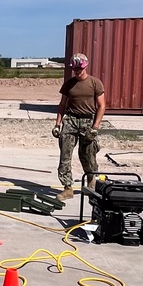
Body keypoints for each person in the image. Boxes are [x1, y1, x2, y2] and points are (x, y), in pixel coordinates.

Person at [52, 53, 106, 201]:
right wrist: (57, 124)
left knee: (88, 155)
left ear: (86, 66)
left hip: (87, 122)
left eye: (79, 69)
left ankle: (91, 182)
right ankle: (67, 188)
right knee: (65, 156)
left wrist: (95, 127)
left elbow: (101, 106)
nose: (77, 71)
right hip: (71, 121)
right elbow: (62, 105)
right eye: (74, 69)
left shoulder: (95, 83)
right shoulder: (69, 84)